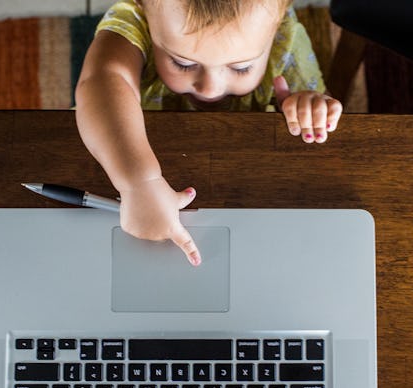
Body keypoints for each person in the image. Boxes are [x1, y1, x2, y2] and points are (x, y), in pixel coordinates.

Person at [75, 0, 343, 265]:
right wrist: (138, 182)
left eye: (241, 67)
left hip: (242, 184)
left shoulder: (285, 32)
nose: (210, 88)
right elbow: (102, 80)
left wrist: (308, 105)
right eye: (183, 63)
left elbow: (319, 114)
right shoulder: (136, 17)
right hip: (122, 155)